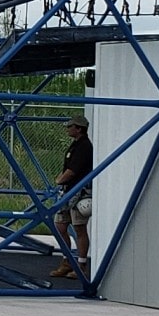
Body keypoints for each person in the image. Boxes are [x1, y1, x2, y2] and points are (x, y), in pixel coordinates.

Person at [49, 113, 93, 279]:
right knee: (60, 226)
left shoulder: (84, 147)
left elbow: (73, 170)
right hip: (68, 192)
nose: (68, 129)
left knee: (79, 228)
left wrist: (60, 179)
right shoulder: (75, 145)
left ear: (79, 129)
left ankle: (81, 265)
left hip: (79, 192)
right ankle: (67, 261)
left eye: (71, 126)